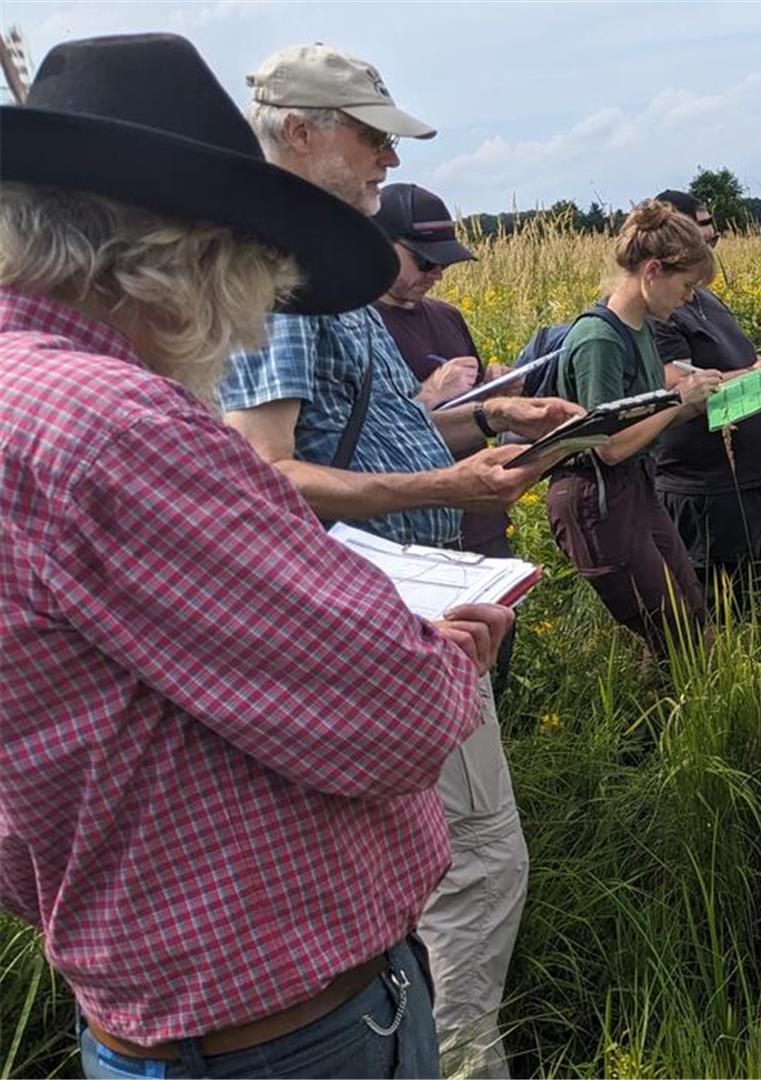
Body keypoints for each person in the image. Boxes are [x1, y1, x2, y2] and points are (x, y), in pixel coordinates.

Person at [0, 33, 512, 1078]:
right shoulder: (116, 427)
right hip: (280, 1036)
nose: (243, 322)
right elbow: (394, 714)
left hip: (151, 1013)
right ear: (191, 254)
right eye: (252, 270)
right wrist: (447, 659)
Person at [222, 43, 575, 1079]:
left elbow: (377, 434)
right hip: (377, 610)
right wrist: (442, 492)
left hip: (415, 608)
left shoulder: (319, 269)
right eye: (369, 134)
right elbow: (268, 477)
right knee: (475, 864)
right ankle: (461, 1063)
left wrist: (492, 429)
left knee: (432, 862)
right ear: (299, 131)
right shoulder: (272, 279)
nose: (387, 156)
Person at [545, 200, 723, 659]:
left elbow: (644, 417)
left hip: (638, 489)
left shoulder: (641, 326)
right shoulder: (600, 339)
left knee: (693, 619)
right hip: (598, 499)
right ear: (652, 271)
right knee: (671, 632)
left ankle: (688, 712)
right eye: (685, 286)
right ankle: (662, 724)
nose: (688, 298)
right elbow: (608, 444)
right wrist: (678, 402)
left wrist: (698, 398)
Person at [374, 181, 521, 687]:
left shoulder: (447, 317)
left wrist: (498, 393)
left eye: (445, 264)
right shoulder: (356, 326)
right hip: (415, 545)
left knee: (491, 672)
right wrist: (428, 394)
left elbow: (471, 414)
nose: (436, 275)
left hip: (479, 526)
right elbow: (373, 442)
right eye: (423, 261)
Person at [647, 190, 761, 618]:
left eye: (714, 241)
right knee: (714, 616)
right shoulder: (659, 313)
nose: (710, 253)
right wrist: (759, 373)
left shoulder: (706, 300)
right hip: (704, 494)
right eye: (702, 242)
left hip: (748, 485)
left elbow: (728, 367)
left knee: (755, 608)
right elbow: (680, 386)